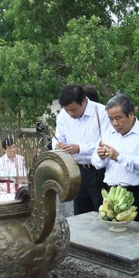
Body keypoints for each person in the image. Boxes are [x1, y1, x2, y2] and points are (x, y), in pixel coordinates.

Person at [91, 93, 139, 221]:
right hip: (111, 193)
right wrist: (100, 156)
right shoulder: (108, 133)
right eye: (110, 119)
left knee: (136, 236)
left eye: (118, 118)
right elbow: (96, 163)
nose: (114, 123)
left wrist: (118, 157)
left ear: (131, 113)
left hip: (136, 193)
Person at [53, 84, 111, 215]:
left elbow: (105, 143)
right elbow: (58, 137)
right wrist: (58, 145)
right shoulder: (63, 115)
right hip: (76, 170)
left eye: (74, 109)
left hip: (99, 170)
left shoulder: (101, 112)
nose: (70, 114)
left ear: (84, 101)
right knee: (81, 212)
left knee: (102, 211)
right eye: (67, 110)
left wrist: (80, 148)